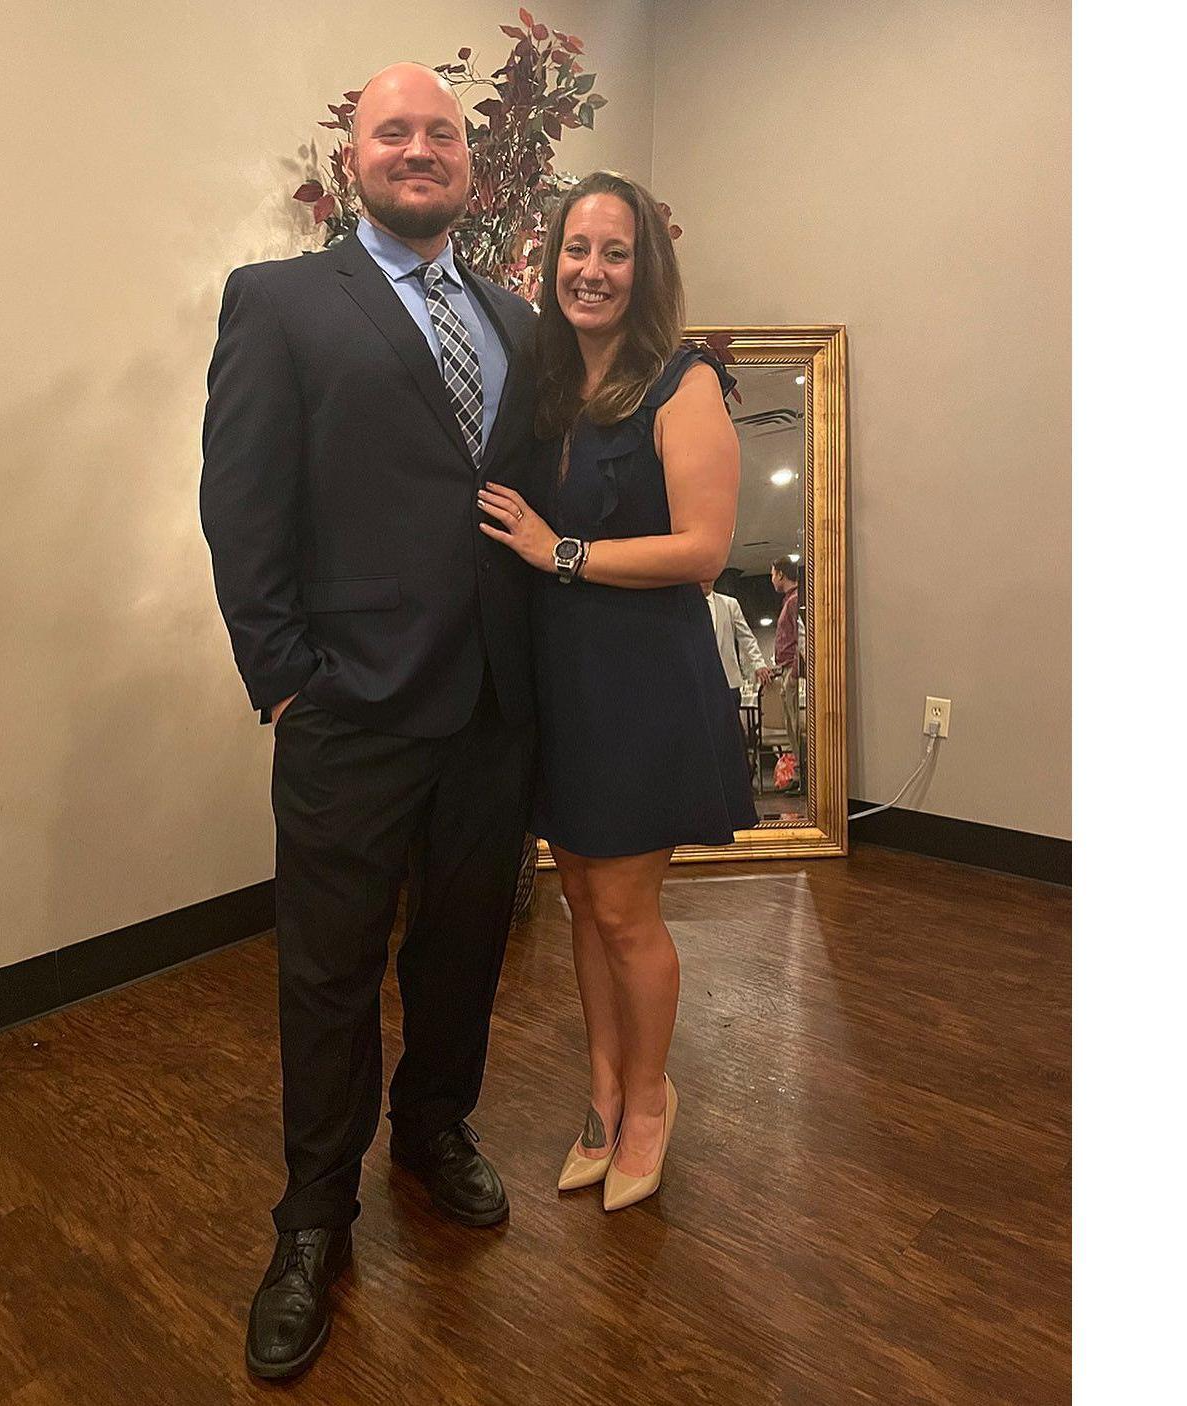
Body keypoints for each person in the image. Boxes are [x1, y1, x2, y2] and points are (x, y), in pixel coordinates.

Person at [199, 63, 538, 1381]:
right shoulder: (280, 300)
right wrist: (284, 675)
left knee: (462, 948)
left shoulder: (513, 316)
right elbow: (241, 502)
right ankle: (312, 1214)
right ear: (354, 158)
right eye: (393, 130)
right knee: (328, 971)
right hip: (347, 708)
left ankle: (433, 1126)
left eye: (440, 132)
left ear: (468, 162)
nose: (419, 147)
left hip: (491, 707)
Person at [477, 171, 758, 1213]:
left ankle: (648, 1100)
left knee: (625, 910)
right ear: (552, 262)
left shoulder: (680, 382)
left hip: (642, 680)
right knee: (581, 900)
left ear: (646, 270)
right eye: (576, 249)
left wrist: (561, 553)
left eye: (614, 252)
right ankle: (600, 1089)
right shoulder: (548, 388)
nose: (590, 270)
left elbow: (703, 548)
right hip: (563, 679)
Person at [702, 580, 771, 705]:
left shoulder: (730, 604)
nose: (706, 582)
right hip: (701, 681)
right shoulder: (686, 607)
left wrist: (758, 663)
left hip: (729, 680)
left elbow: (746, 636)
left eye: (709, 578)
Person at [770, 557, 804, 795]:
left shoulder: (794, 601)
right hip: (787, 668)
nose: (772, 579)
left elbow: (802, 637)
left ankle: (804, 776)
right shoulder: (790, 601)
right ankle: (800, 774)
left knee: (795, 725)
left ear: (781, 574)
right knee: (791, 727)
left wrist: (794, 671)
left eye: (773, 574)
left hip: (792, 669)